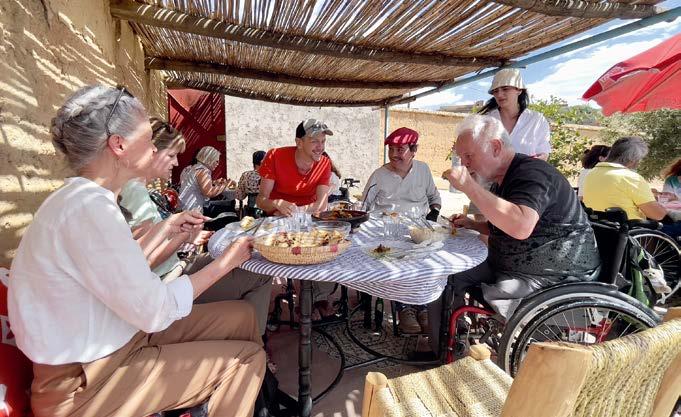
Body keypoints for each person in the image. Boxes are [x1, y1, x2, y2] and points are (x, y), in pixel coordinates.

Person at [8, 85, 265, 417]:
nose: (154, 146)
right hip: (85, 385)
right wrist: (226, 262)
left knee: (244, 316)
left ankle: (245, 401)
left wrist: (164, 231)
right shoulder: (88, 209)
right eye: (146, 137)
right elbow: (154, 310)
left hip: (118, 342)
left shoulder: (87, 201)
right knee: (247, 360)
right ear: (119, 144)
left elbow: (122, 277)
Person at [428, 114, 600, 352]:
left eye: (469, 156)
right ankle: (447, 347)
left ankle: (445, 349)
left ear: (496, 147)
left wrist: (469, 186)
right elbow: (507, 225)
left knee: (451, 275)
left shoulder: (533, 174)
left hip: (552, 277)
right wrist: (473, 224)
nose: (464, 163)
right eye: (462, 157)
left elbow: (520, 226)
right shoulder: (503, 178)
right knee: (443, 273)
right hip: (512, 263)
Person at [119, 119, 273, 338]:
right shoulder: (136, 192)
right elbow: (145, 260)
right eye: (171, 155)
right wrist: (185, 237)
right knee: (259, 273)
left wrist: (189, 236)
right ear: (151, 152)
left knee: (246, 265)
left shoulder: (139, 188)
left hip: (175, 267)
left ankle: (246, 333)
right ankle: (252, 339)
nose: (175, 162)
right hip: (169, 279)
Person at [362, 127, 442, 334]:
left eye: (400, 149)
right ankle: (404, 308)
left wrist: (434, 212)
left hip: (418, 229)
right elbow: (364, 206)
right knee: (399, 259)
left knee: (428, 259)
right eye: (391, 149)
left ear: (414, 150)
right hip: (388, 230)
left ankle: (423, 307)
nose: (394, 154)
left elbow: (434, 197)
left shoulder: (423, 170)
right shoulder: (379, 175)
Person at [257, 119, 336, 318]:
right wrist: (277, 203)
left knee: (327, 247)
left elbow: (321, 205)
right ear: (299, 142)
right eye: (314, 141)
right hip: (278, 220)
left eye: (323, 141)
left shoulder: (324, 163)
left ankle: (316, 297)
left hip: (308, 219)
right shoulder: (275, 156)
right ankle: (306, 300)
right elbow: (261, 200)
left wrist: (297, 212)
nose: (320, 147)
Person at [583, 137, 680, 238]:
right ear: (632, 160)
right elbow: (657, 215)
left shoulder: (592, 173)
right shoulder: (630, 178)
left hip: (601, 230)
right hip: (633, 233)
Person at [478, 68, 551, 160]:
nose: (499, 94)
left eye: (505, 89)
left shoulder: (536, 120)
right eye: (495, 91)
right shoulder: (485, 121)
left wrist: (527, 167)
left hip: (528, 169)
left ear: (519, 90)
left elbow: (543, 153)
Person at [179, 145, 236, 214]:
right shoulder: (202, 171)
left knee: (226, 205)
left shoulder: (190, 168)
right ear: (210, 159)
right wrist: (225, 185)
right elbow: (209, 192)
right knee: (230, 209)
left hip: (184, 206)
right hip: (194, 209)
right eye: (216, 161)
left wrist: (214, 182)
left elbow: (196, 184)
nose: (218, 164)